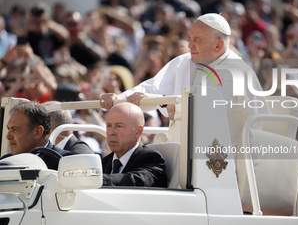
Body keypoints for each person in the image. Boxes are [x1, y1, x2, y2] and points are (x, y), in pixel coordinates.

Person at [100, 13, 269, 146]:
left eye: (197, 40)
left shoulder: (237, 72)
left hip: (225, 156)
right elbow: (151, 88)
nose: (190, 45)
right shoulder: (185, 61)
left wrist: (166, 102)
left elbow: (209, 110)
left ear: (218, 45)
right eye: (190, 39)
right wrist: (120, 98)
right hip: (182, 149)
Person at [101, 102, 167, 187]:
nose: (111, 132)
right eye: (109, 126)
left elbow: (135, 181)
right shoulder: (104, 163)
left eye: (119, 126)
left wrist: (96, 180)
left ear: (137, 131)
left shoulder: (151, 159)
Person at [2, 101, 72, 170]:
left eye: (15, 129)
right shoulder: (5, 162)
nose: (8, 136)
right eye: (9, 129)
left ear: (37, 132)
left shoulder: (65, 162)